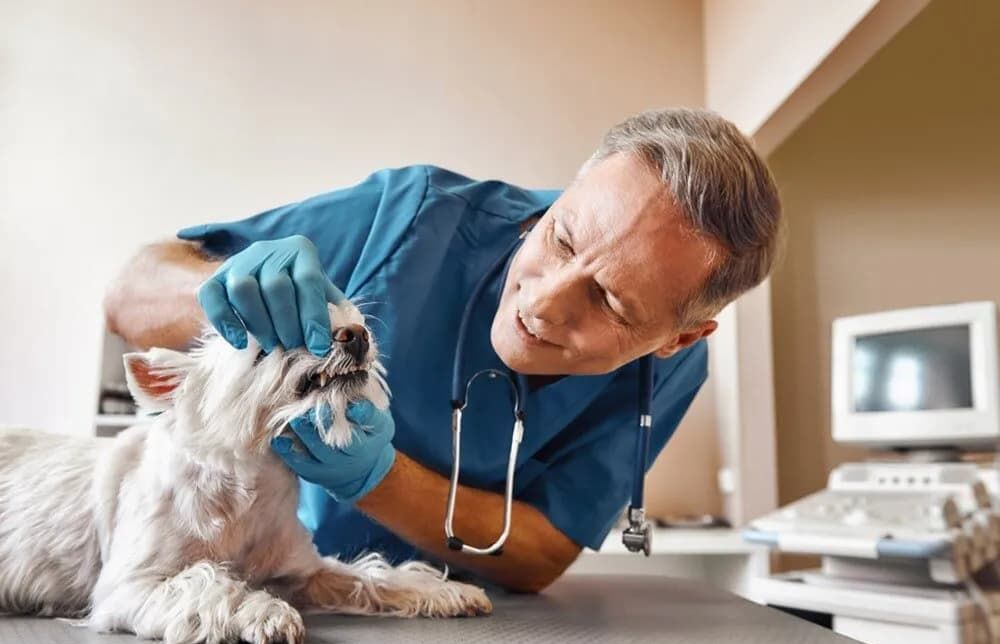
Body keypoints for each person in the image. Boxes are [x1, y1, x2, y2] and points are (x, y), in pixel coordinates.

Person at [105, 108, 782, 593]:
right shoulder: (412, 215)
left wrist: (377, 477)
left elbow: (542, 554)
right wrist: (234, 299)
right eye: (563, 239)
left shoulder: (668, 372)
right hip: (265, 578)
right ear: (575, 186)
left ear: (679, 337)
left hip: (458, 622)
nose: (541, 302)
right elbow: (129, 295)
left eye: (609, 301)